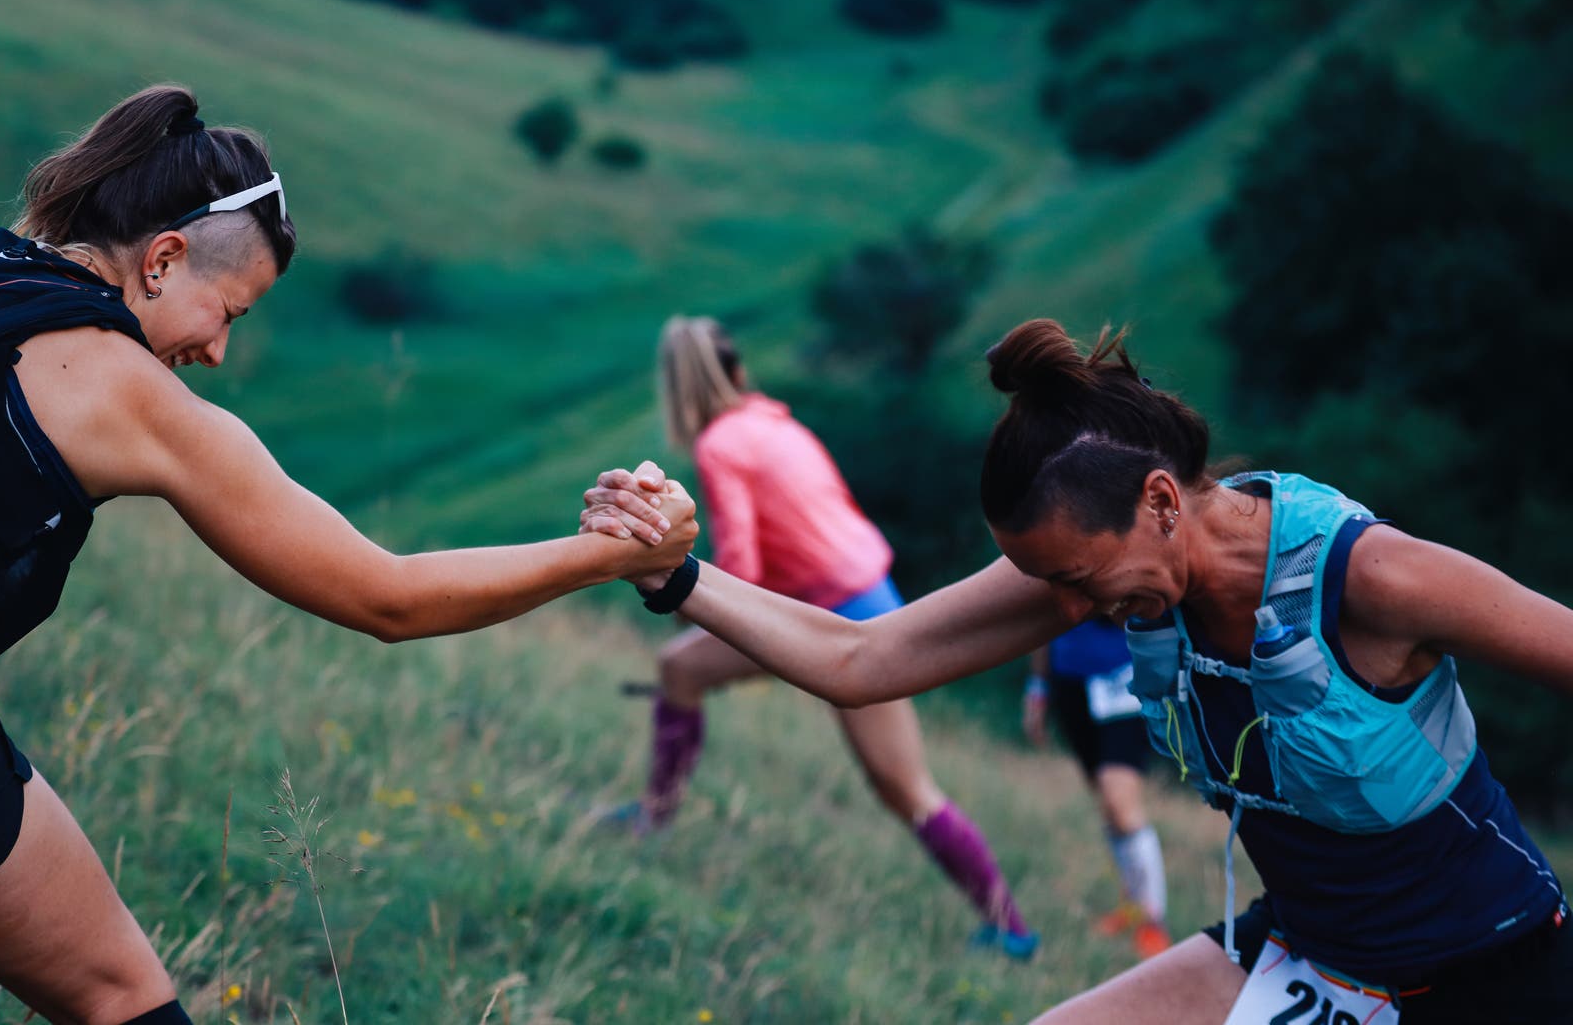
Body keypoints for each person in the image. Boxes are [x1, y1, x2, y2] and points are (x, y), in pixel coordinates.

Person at [0, 85, 696, 1025]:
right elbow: (390, 597)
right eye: (227, 310)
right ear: (160, 260)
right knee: (118, 997)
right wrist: (601, 557)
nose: (218, 351)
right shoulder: (134, 393)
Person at [583, 319, 1571, 1023]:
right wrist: (675, 577)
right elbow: (862, 657)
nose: (1073, 609)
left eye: (1079, 578)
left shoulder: (1372, 579)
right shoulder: (1087, 565)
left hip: (1494, 971)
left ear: (1158, 501)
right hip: (1314, 961)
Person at [609, 316, 1037, 957]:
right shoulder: (776, 423)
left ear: (678, 388)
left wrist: (677, 597)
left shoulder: (721, 446)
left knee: (903, 785)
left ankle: (1010, 930)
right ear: (737, 373)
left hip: (850, 618)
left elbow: (745, 572)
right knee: (681, 669)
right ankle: (654, 818)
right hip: (854, 596)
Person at [1022, 617, 1170, 958]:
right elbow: (1041, 612)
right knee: (1106, 804)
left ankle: (1152, 921)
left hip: (1123, 675)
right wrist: (1038, 688)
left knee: (1119, 802)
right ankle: (1133, 904)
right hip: (1069, 677)